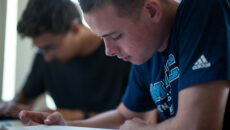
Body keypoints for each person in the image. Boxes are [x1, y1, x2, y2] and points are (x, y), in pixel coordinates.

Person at [19, 0, 230, 129]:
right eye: (102, 38)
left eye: (116, 36)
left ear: (152, 11)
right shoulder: (147, 51)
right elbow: (124, 115)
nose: (108, 51)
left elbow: (198, 125)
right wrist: (67, 127)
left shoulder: (203, 8)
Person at [0, 0, 131, 121]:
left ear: (74, 28)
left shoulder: (121, 53)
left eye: (50, 48)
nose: (47, 57)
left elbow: (129, 117)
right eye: (40, 50)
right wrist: (12, 107)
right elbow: (24, 97)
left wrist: (69, 115)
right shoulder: (45, 56)